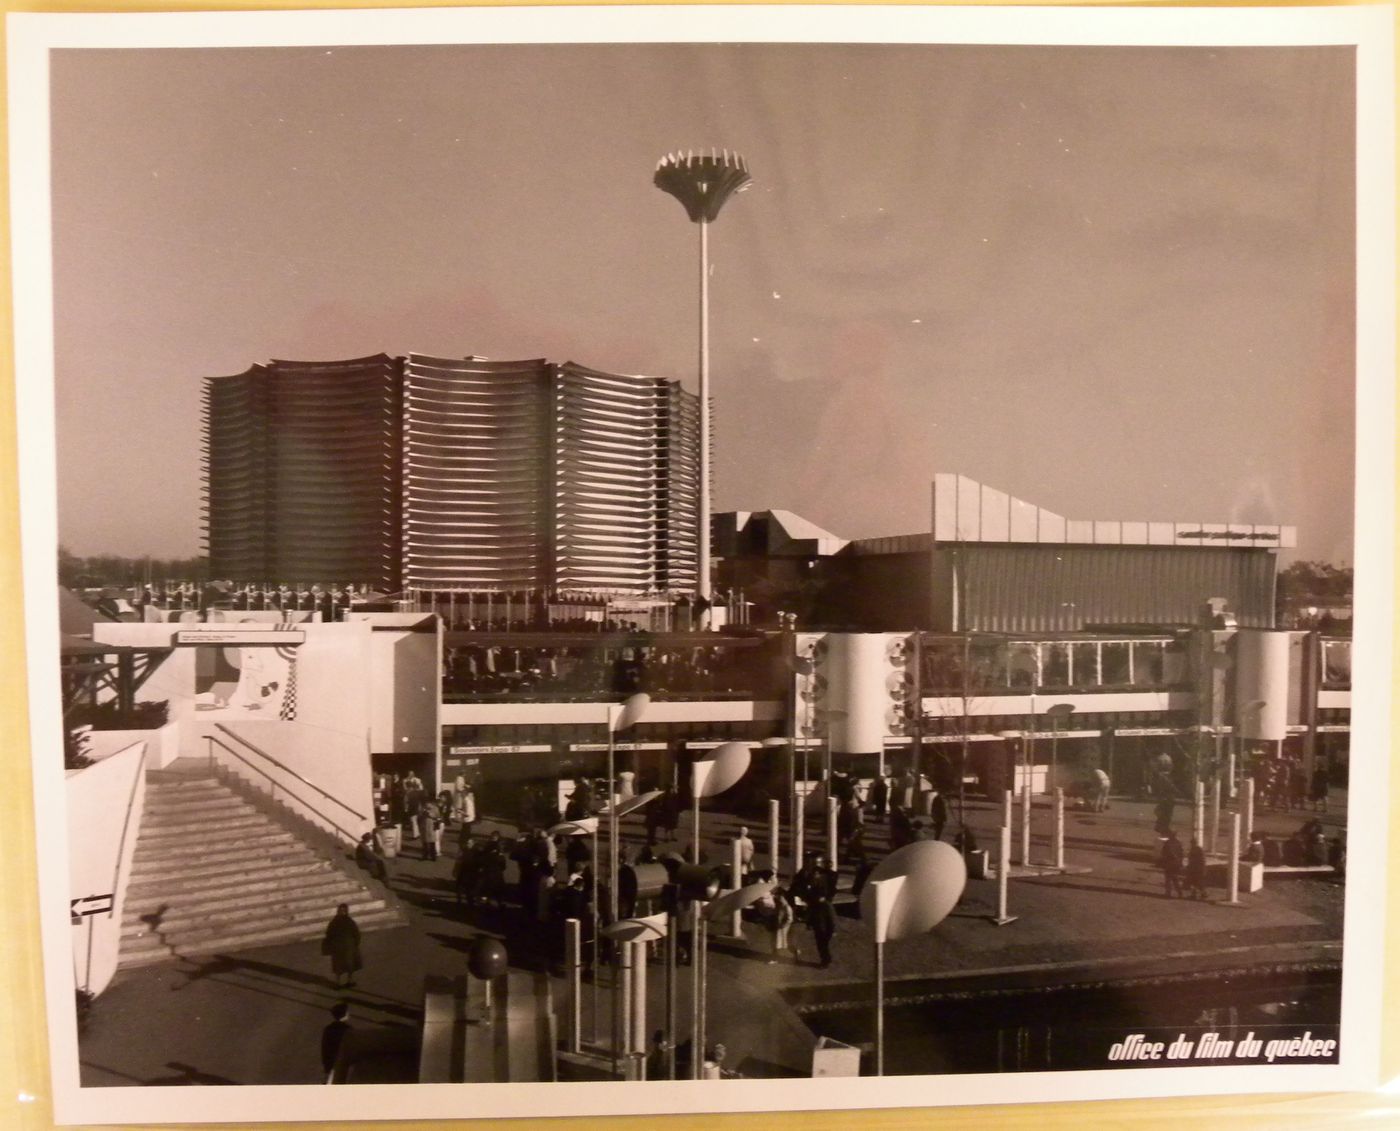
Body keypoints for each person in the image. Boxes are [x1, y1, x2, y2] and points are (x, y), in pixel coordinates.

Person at [321, 903, 362, 988]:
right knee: (342, 965)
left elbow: (329, 934)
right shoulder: (347, 921)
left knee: (347, 965)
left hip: (346, 946)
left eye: (344, 910)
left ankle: (346, 981)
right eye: (341, 910)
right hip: (343, 946)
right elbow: (356, 934)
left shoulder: (337, 922)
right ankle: (339, 982)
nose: (343, 912)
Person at [321, 1002, 351, 1081]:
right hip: (343, 1063)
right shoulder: (348, 1030)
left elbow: (325, 1048)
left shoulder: (328, 1029)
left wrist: (326, 1066)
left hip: (331, 1063)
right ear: (344, 1014)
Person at [1159, 831, 1185, 899]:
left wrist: (1163, 862)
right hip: (1176, 864)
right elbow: (1182, 854)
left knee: (1168, 879)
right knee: (1175, 879)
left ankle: (1168, 893)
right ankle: (1180, 893)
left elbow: (1163, 853)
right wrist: (1180, 863)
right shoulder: (1179, 843)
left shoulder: (1168, 843)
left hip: (1169, 864)